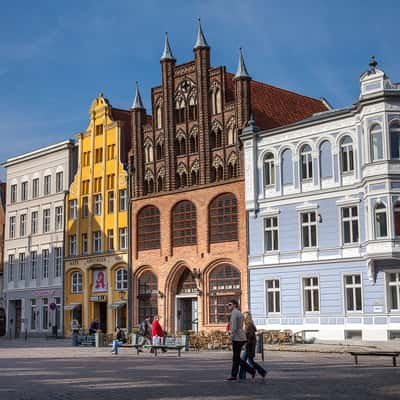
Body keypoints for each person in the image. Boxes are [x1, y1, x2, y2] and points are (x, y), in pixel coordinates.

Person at [225, 300, 255, 381]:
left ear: (235, 305)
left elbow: (234, 328)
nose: (228, 306)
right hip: (241, 337)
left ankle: (251, 370)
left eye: (230, 304)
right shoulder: (239, 313)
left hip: (237, 338)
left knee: (236, 358)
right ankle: (234, 375)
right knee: (236, 357)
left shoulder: (234, 313)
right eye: (228, 305)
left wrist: (231, 338)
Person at [239, 312, 267, 380]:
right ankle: (262, 372)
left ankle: (242, 376)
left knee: (243, 362)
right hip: (248, 345)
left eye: (243, 316)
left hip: (248, 346)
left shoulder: (249, 325)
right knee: (249, 361)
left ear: (246, 317)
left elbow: (249, 336)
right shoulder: (247, 325)